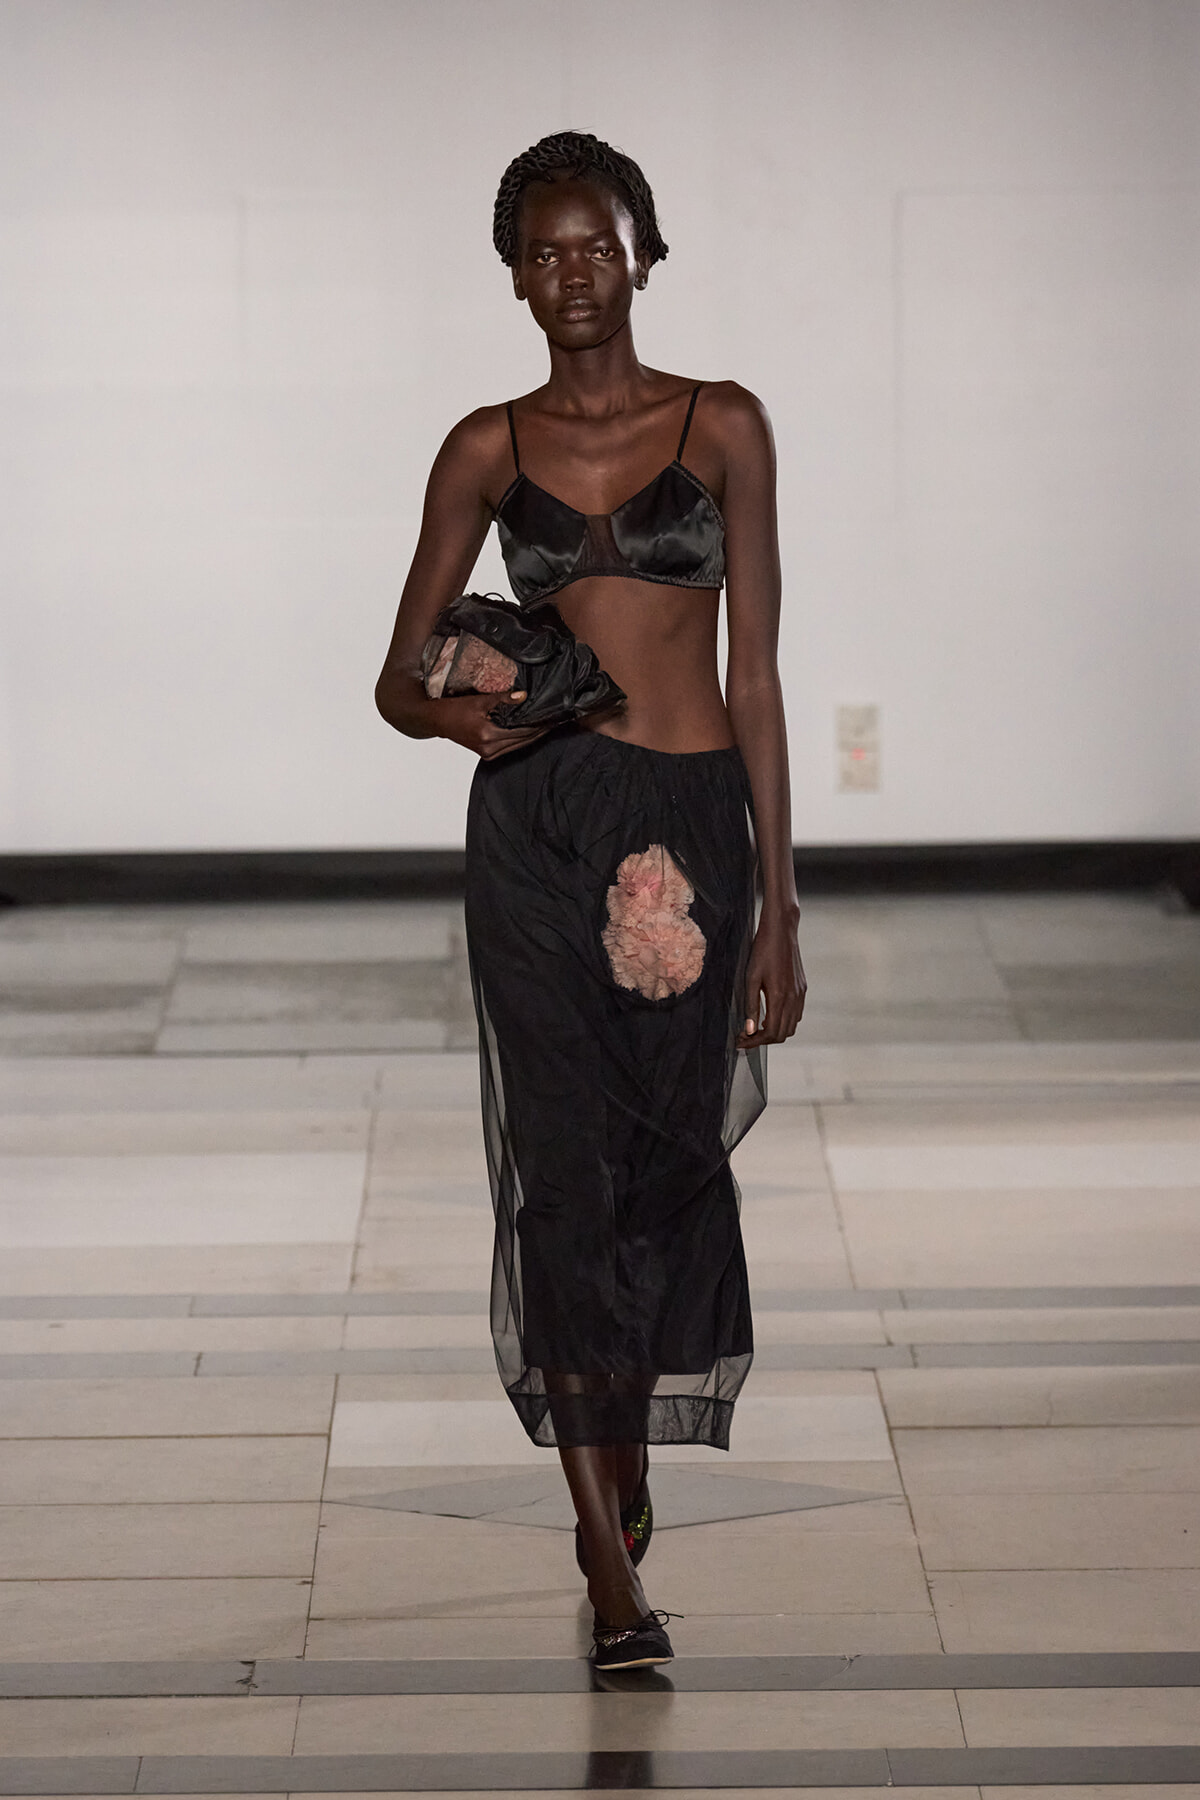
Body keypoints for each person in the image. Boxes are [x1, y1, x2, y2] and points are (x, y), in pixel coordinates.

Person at [375, 130, 806, 1669]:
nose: (572, 269)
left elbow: (753, 674)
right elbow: (393, 675)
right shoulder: (485, 448)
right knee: (561, 1172)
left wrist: (783, 906)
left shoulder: (731, 425)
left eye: (596, 243)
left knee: (662, 1168)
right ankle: (606, 1565)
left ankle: (619, 1468)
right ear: (514, 274)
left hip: (695, 821)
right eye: (544, 249)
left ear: (643, 252)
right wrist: (469, 715)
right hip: (541, 834)